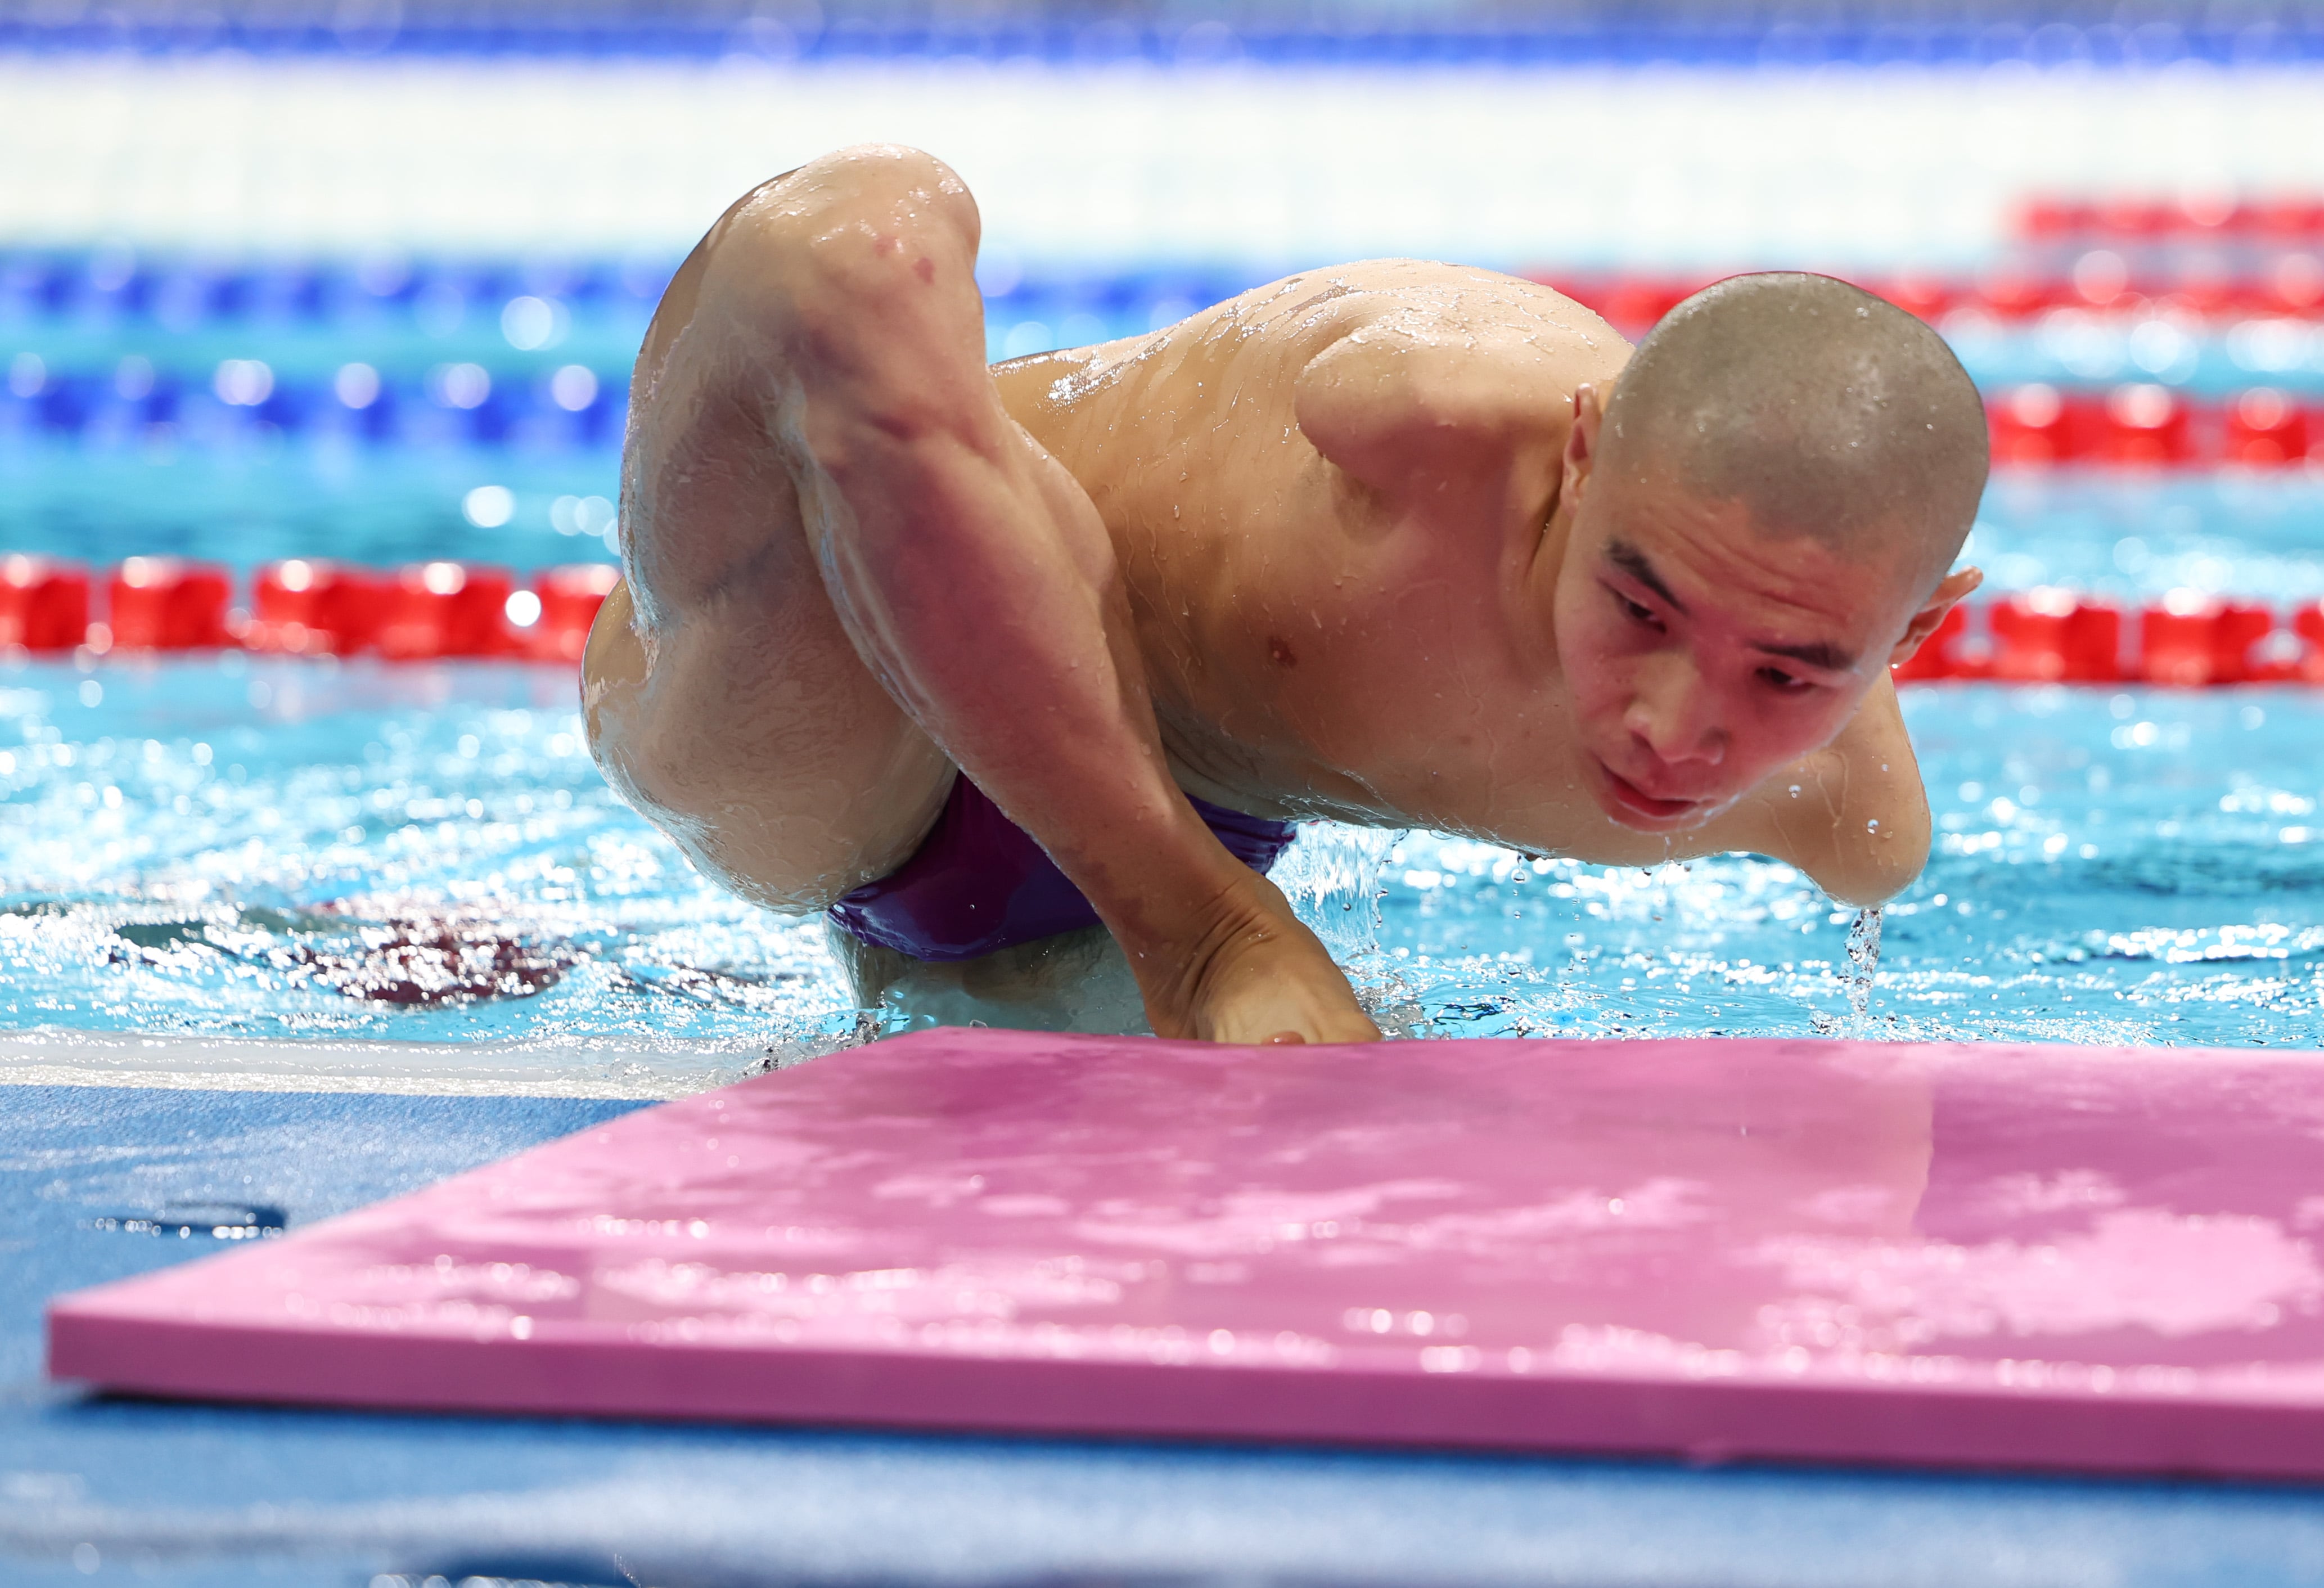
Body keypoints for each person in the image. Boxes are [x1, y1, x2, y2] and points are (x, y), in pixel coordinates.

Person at [583, 144, 1987, 1046]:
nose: (1679, 728)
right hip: (851, 667)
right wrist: (1198, 929)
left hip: (1068, 885)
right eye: (1637, 605)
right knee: (852, 246)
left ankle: (1195, 924)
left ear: (1908, 639)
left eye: (1786, 675)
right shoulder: (1432, 418)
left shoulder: (1840, 816)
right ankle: (1195, 928)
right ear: (1578, 446)